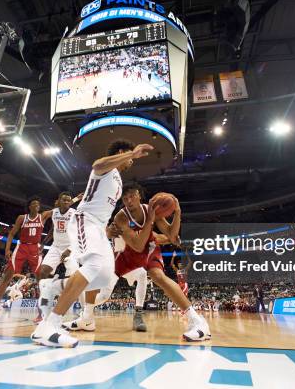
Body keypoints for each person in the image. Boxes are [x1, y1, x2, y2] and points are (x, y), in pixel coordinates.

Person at [31, 139, 153, 347]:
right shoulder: (105, 168)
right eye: (129, 156)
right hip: (84, 221)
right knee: (93, 263)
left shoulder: (118, 180)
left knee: (104, 277)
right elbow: (97, 164)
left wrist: (105, 230)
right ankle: (49, 326)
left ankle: (52, 285)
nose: (132, 162)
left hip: (98, 228)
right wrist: (132, 153)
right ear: (122, 152)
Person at [66, 185, 210, 341]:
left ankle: (197, 320)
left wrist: (177, 212)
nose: (128, 200)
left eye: (132, 196)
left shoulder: (149, 209)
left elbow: (171, 235)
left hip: (150, 249)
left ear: (139, 196)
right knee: (96, 276)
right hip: (127, 253)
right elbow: (137, 245)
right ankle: (86, 318)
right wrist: (150, 218)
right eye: (125, 198)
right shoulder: (121, 217)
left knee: (157, 276)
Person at [0, 198, 45, 320]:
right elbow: (12, 233)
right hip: (22, 246)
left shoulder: (43, 216)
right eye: (34, 203)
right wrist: (7, 249)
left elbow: (61, 207)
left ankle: (41, 313)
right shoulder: (22, 218)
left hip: (35, 248)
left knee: (41, 281)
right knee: (7, 275)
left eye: (38, 204)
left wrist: (75, 199)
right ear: (29, 206)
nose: (36, 205)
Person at [37, 192, 82, 319]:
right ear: (59, 201)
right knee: (42, 272)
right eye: (64, 200)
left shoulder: (74, 213)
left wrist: (69, 249)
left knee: (75, 279)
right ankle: (43, 307)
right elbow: (53, 230)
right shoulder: (55, 212)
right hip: (56, 247)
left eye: (69, 200)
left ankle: (80, 309)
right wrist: (43, 243)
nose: (67, 202)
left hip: (70, 247)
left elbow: (79, 234)